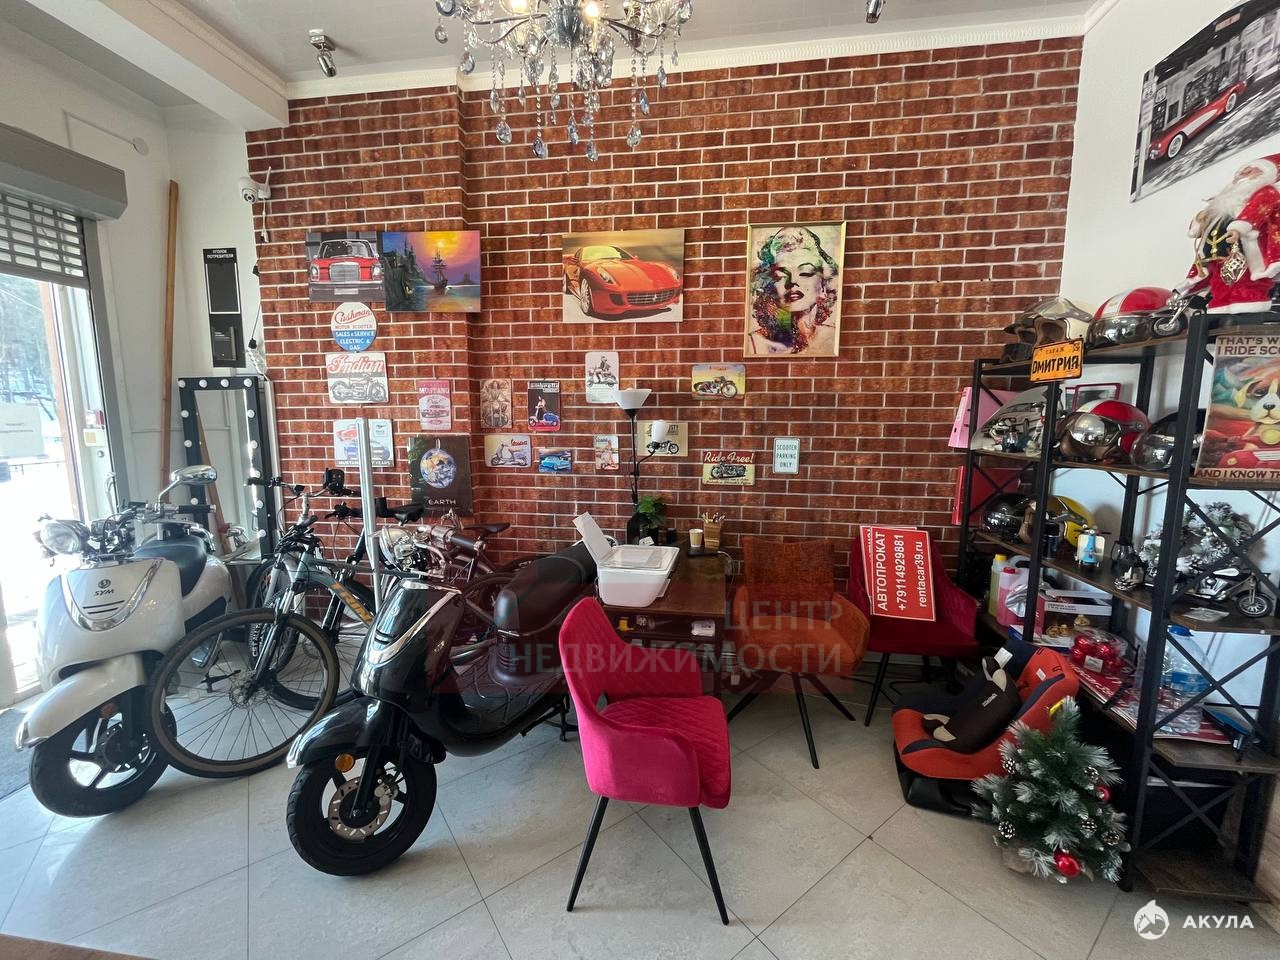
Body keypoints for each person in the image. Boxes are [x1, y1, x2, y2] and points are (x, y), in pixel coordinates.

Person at [1181, 154, 1280, 314]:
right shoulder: (1223, 199)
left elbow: (1256, 211)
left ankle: (1247, 303)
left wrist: (1238, 229)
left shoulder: (1265, 192)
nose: (1243, 173)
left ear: (1264, 174)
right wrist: (1200, 219)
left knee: (1244, 278)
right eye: (1243, 170)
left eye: (1251, 170)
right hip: (1215, 251)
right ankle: (1220, 304)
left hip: (1242, 248)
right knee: (1219, 279)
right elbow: (1201, 226)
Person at [747, 226, 841, 356]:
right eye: (781, 275)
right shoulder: (754, 344)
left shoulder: (833, 339)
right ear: (769, 286)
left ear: (824, 284)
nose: (792, 282)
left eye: (805, 273)